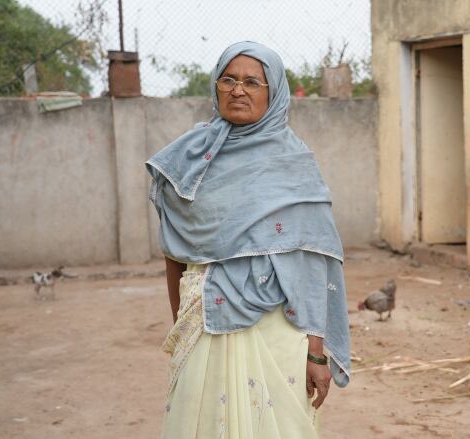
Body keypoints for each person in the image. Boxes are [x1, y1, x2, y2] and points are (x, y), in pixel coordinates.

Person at [146, 41, 351, 439]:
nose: (238, 90)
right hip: (202, 322)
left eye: (252, 81)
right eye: (228, 79)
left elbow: (312, 266)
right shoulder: (188, 158)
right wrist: (181, 322)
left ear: (273, 94)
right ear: (216, 87)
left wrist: (316, 352)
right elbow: (174, 249)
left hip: (278, 331)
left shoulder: (295, 167)